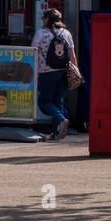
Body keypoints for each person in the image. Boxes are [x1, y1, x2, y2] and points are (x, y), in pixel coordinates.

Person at [32, 8, 78, 140]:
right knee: (58, 102)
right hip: (64, 71)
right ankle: (56, 132)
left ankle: (61, 119)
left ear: (47, 19)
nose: (42, 20)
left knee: (44, 101)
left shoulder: (41, 33)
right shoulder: (66, 33)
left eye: (43, 17)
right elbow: (72, 55)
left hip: (47, 72)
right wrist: (75, 71)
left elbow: (32, 52)